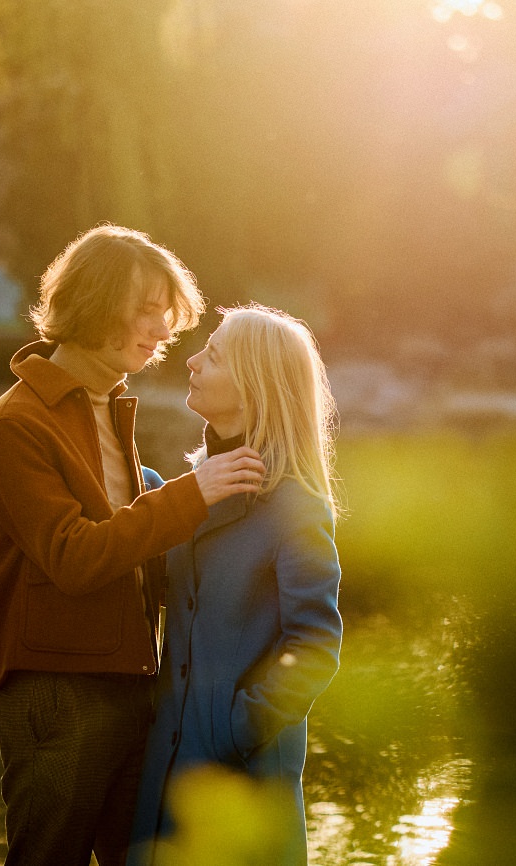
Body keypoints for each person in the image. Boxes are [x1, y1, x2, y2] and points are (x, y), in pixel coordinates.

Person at [0, 224, 266, 866]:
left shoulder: (106, 405)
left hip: (128, 678)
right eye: (147, 310)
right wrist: (192, 495)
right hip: (57, 689)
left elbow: (131, 545)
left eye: (167, 313)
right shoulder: (18, 425)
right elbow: (75, 557)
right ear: (95, 303)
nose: (164, 331)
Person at [128, 304, 344, 866]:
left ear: (254, 386)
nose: (193, 362)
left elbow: (316, 645)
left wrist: (237, 726)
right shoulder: (192, 490)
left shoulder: (296, 506)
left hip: (246, 780)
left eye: (214, 355)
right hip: (166, 774)